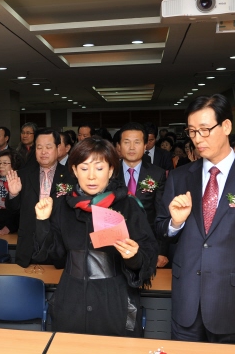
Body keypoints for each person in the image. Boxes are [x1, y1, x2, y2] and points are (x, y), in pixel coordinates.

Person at [156, 94, 235, 345]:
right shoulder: (180, 177)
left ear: (226, 126)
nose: (198, 139)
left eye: (205, 130)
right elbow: (161, 228)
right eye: (192, 132)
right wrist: (176, 223)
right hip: (187, 304)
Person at [33, 137, 157, 336]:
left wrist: (133, 256)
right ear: (74, 170)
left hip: (113, 300)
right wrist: (42, 221)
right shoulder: (64, 206)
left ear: (110, 170)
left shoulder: (128, 205)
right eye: (84, 168)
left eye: (99, 168)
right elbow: (53, 256)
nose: (91, 176)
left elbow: (148, 255)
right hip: (71, 300)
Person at [6, 128, 75, 268]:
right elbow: (13, 211)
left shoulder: (71, 176)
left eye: (48, 147)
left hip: (59, 245)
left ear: (58, 148)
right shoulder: (23, 175)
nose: (43, 152)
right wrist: (13, 194)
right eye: (39, 147)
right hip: (29, 247)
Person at [115, 122, 169, 269]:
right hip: (114, 245)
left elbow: (162, 213)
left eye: (137, 142)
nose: (132, 147)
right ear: (119, 146)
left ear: (145, 146)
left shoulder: (157, 174)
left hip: (147, 243)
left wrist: (162, 251)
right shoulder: (110, 173)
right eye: (126, 142)